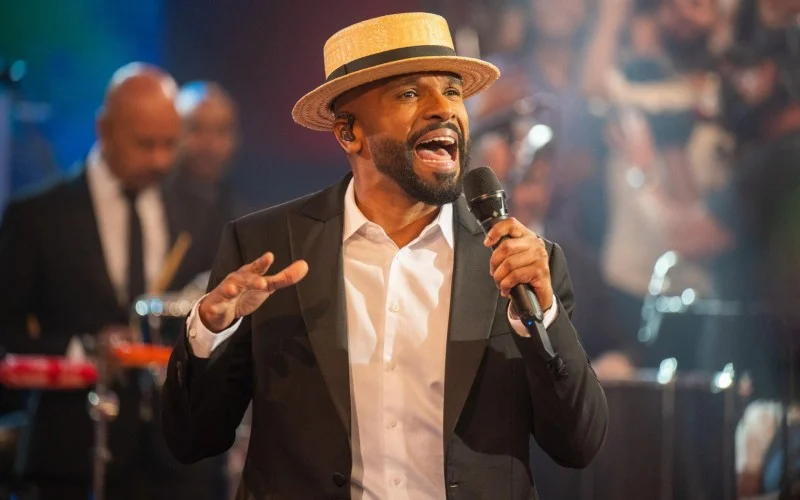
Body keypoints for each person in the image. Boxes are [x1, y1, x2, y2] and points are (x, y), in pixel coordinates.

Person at [161, 12, 608, 499]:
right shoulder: (267, 249)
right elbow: (193, 440)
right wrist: (210, 331)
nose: (444, 110)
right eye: (410, 94)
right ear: (348, 132)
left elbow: (578, 444)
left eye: (452, 91)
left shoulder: (519, 262)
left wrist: (542, 313)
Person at [0, 63, 227, 499]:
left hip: (180, 465)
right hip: (71, 459)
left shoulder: (202, 212)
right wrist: (85, 350)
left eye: (170, 143)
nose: (161, 160)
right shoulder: (37, 216)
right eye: (145, 144)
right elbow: (4, 336)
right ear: (104, 129)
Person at [167, 80, 240, 239]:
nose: (210, 145)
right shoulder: (153, 209)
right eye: (197, 129)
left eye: (221, 131)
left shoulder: (236, 212)